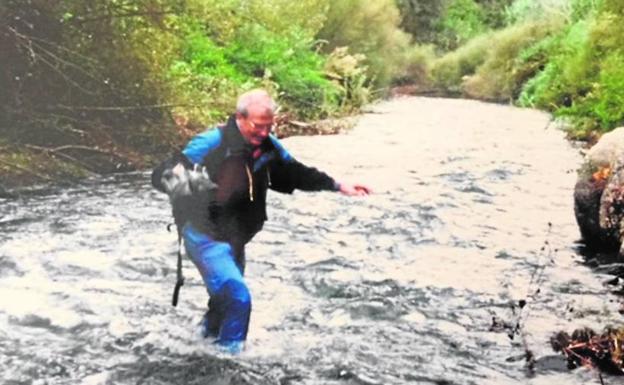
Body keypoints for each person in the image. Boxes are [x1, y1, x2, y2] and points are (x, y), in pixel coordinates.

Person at [152, 89, 369, 353]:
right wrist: (182, 182)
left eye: (270, 126)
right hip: (204, 235)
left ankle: (199, 345)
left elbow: (295, 172)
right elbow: (164, 172)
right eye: (258, 126)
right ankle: (229, 362)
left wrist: (338, 185)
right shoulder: (212, 141)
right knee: (238, 298)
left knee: (223, 303)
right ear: (240, 118)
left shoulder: (268, 146)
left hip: (236, 238)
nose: (264, 133)